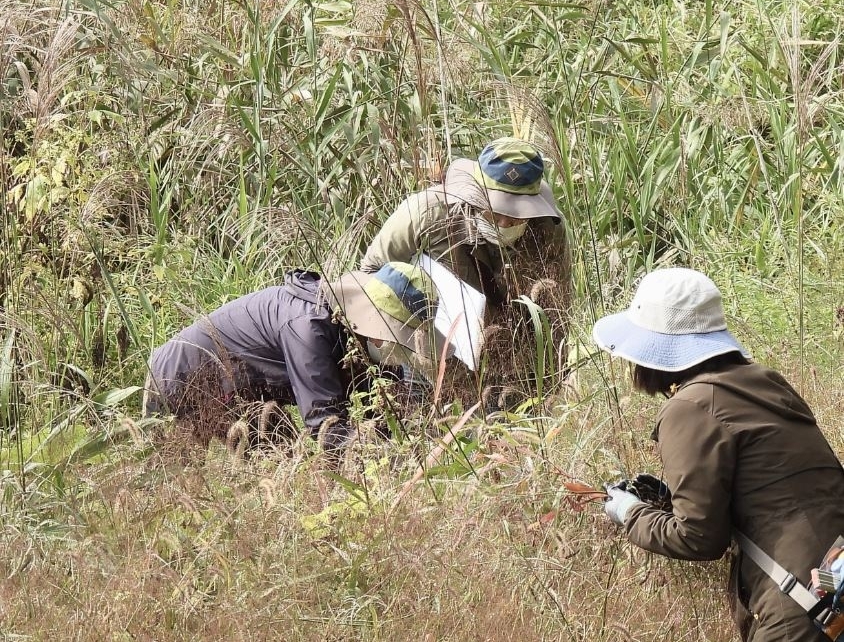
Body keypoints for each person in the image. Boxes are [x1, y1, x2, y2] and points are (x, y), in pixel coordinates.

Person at [592, 267, 844, 642]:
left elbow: (698, 538)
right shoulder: (765, 381)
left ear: (653, 351)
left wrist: (627, 511)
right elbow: (773, 490)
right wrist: (669, 495)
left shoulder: (690, 406)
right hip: (833, 582)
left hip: (798, 606)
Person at [143, 261, 440, 451]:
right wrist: (390, 455)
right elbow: (326, 430)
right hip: (178, 380)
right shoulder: (310, 327)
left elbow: (385, 403)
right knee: (178, 492)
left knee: (275, 464)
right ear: (377, 325)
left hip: (249, 393)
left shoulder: (354, 332)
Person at [360, 136, 567, 309]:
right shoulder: (427, 212)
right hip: (436, 338)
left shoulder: (550, 228)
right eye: (493, 212)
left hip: (512, 340)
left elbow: (557, 303)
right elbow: (372, 271)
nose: (504, 223)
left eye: (516, 215)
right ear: (474, 195)